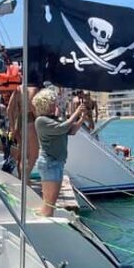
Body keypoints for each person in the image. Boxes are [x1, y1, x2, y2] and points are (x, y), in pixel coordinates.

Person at [33, 88, 86, 216]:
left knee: (50, 201)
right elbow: (63, 127)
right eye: (52, 102)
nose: (55, 104)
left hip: (56, 163)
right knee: (50, 203)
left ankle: (44, 215)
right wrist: (76, 112)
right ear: (45, 104)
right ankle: (45, 222)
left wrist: (82, 118)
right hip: (49, 163)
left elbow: (71, 130)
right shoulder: (41, 121)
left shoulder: (54, 119)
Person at [7, 84, 40, 179]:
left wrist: (12, 127)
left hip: (19, 122)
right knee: (33, 155)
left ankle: (22, 179)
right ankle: (26, 179)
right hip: (30, 120)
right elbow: (34, 108)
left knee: (23, 154)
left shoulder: (18, 89)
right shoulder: (35, 89)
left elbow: (9, 109)